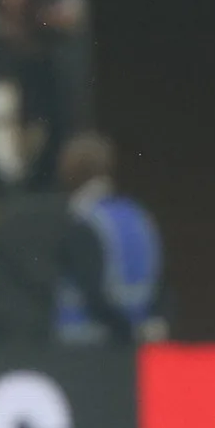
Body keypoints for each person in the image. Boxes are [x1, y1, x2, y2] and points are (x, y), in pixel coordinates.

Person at [52, 131, 163, 345]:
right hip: (137, 346)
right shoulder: (138, 216)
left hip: (86, 346)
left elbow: (94, 294)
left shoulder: (83, 222)